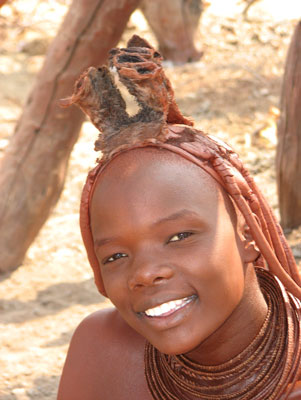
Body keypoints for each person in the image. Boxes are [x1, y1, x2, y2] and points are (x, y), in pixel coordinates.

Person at [57, 35, 301, 400]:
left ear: (247, 231)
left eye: (178, 237)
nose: (144, 273)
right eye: (116, 256)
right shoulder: (102, 354)